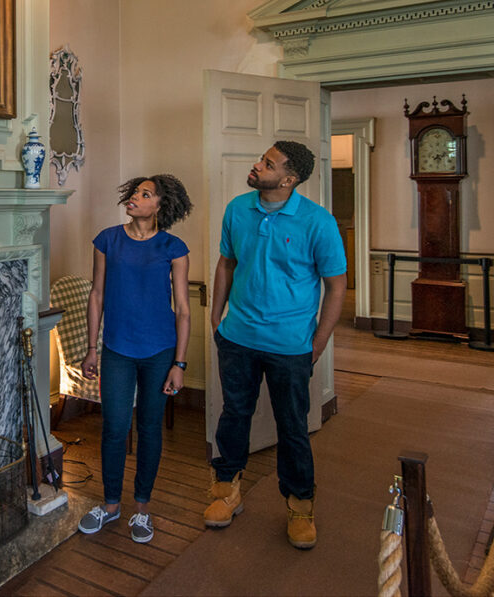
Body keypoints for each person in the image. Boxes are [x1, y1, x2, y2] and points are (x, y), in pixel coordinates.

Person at [204, 140, 347, 550]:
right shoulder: (237, 209)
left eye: (267, 163)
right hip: (237, 338)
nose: (256, 165)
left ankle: (300, 505)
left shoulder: (318, 223)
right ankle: (226, 492)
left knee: (292, 428)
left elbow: (336, 286)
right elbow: (226, 262)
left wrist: (318, 341)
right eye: (261, 158)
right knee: (234, 417)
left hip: (291, 345)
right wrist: (217, 316)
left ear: (288, 179)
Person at [77, 174, 193, 544]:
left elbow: (183, 310)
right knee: (114, 428)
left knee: (149, 427)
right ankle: (111, 506)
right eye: (134, 192)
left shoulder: (173, 247)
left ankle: (142, 508)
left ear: (160, 205)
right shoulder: (107, 240)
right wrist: (92, 347)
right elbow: (97, 295)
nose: (134, 198)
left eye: (145, 194)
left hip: (160, 352)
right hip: (116, 349)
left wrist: (180, 363)